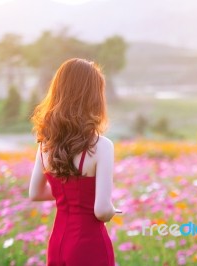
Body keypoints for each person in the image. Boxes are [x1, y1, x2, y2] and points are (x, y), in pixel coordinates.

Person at [28, 58, 120, 266]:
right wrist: (112, 209)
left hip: (58, 244)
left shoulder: (45, 144)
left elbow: (35, 193)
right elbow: (102, 211)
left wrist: (71, 193)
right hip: (89, 246)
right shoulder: (102, 146)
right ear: (94, 97)